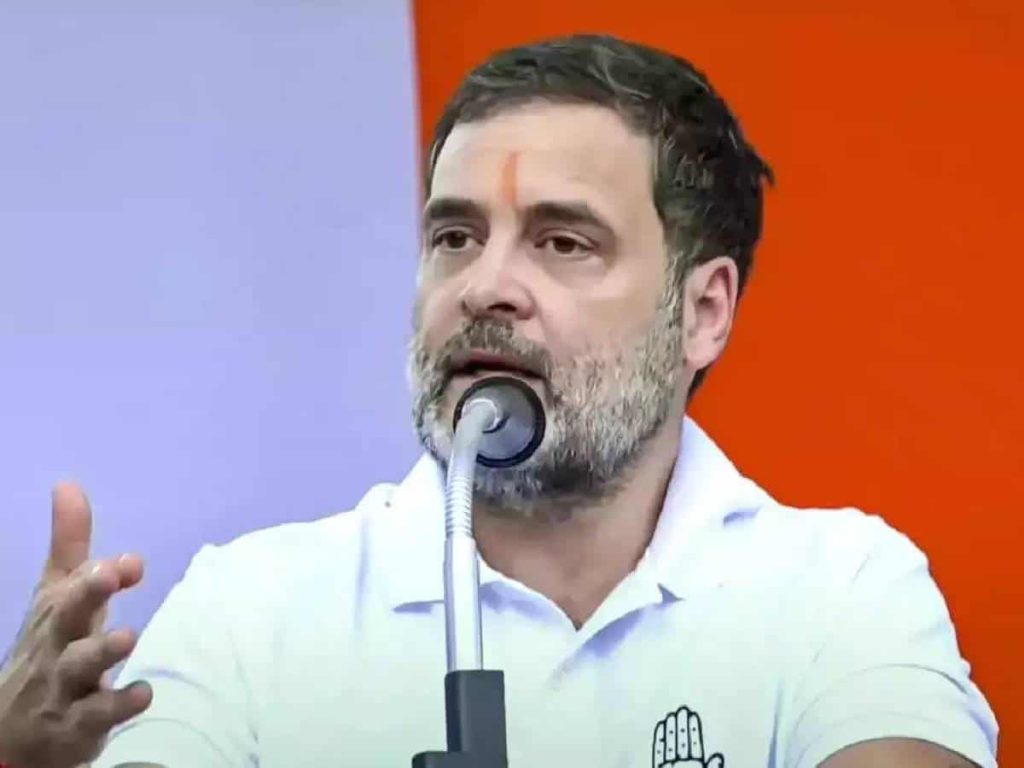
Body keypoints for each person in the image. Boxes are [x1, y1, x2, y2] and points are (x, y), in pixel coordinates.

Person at [0, 34, 998, 768]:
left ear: (702, 312)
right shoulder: (248, 609)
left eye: (563, 242)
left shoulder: (838, 588)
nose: (484, 287)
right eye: (455, 238)